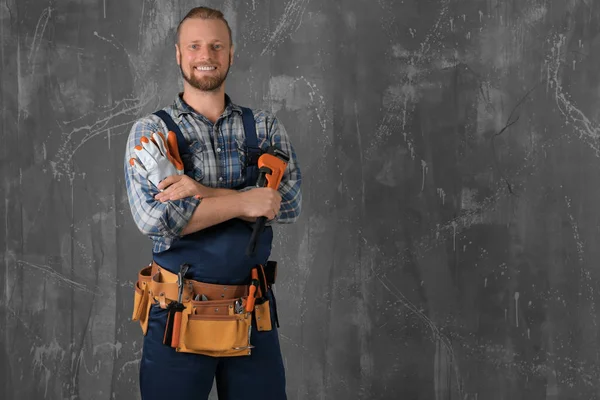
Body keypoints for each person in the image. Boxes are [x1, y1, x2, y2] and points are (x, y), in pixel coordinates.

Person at [124, 6, 302, 400]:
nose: (206, 56)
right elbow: (156, 219)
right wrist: (247, 201)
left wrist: (200, 192)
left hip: (253, 313)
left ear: (231, 54)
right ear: (179, 54)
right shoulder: (152, 132)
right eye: (195, 46)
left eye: (216, 46)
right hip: (177, 314)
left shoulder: (266, 127)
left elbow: (286, 204)